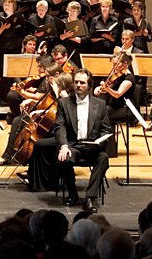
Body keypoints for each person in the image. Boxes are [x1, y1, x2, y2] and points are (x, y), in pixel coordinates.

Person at [46, 69, 113, 208]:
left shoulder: (100, 104)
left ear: (89, 85)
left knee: (103, 158)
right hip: (73, 146)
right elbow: (59, 126)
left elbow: (106, 129)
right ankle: (72, 194)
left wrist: (99, 142)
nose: (78, 85)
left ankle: (90, 197)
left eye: (82, 82)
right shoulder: (64, 103)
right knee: (64, 158)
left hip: (92, 147)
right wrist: (64, 146)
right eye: (76, 82)